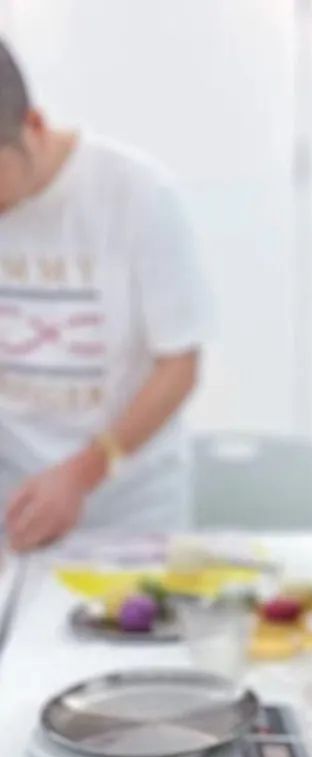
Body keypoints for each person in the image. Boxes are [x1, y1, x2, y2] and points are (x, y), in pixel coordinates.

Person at [0, 41, 209, 551]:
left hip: (130, 505)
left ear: (34, 125)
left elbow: (179, 366)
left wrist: (81, 474)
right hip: (14, 504)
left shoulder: (137, 195)